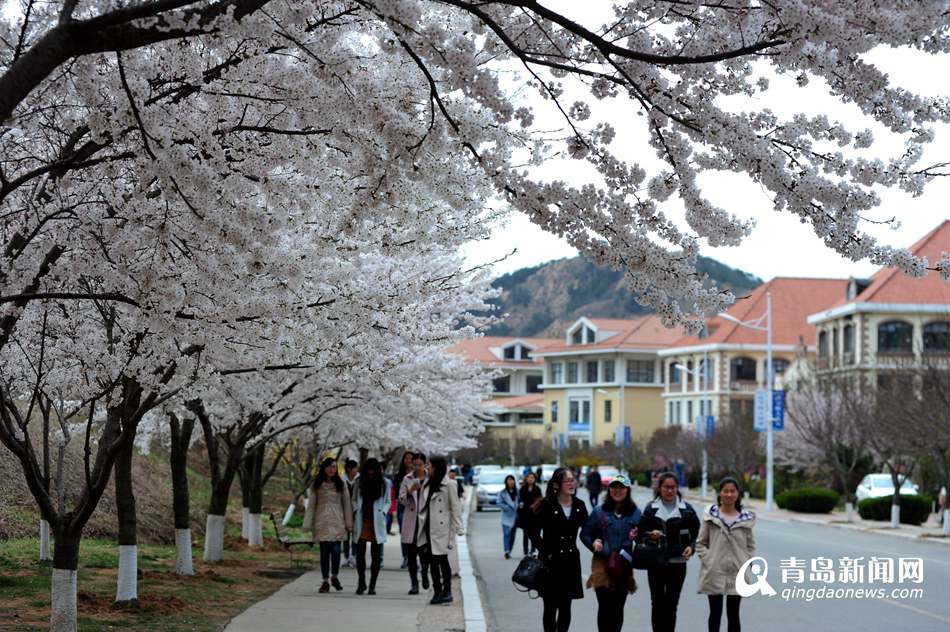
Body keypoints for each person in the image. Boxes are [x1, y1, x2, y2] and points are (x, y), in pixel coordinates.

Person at [638, 471, 700, 632]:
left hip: (677, 564)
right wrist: (650, 534)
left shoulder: (687, 510)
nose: (670, 490)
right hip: (656, 563)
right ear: (660, 488)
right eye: (666, 487)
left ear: (677, 488)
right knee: (657, 603)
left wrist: (691, 547)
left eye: (673, 487)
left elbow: (697, 533)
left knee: (672, 604)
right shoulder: (650, 509)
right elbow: (640, 532)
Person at [581, 475, 642, 632]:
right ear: (609, 490)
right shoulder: (598, 511)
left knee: (618, 607)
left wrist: (638, 536)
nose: (617, 490)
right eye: (614, 487)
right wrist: (594, 543)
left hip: (624, 565)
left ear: (627, 490)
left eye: (621, 487)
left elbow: (644, 537)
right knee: (605, 606)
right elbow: (585, 534)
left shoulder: (635, 513)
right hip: (602, 565)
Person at [530, 467, 588, 632]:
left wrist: (597, 541)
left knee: (566, 606)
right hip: (550, 562)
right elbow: (532, 531)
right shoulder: (547, 505)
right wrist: (544, 550)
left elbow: (589, 529)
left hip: (570, 561)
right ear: (556, 484)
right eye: (567, 481)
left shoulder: (579, 505)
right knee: (550, 606)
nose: (572, 483)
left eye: (573, 480)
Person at [697, 477, 757, 632]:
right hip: (714, 570)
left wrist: (750, 562)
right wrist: (709, 560)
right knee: (715, 613)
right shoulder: (711, 516)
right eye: (725, 491)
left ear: (738, 494)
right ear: (720, 494)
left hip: (737, 571)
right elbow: (701, 543)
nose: (729, 494)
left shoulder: (745, 519)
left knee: (733, 614)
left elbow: (750, 545)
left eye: (732, 491)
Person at [417, 455, 463, 605]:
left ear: (436, 467)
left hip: (442, 528)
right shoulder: (427, 484)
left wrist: (459, 528)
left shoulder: (449, 484)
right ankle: (437, 591)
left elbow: (455, 507)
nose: (427, 467)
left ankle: (447, 591)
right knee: (432, 561)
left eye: (429, 465)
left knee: (442, 560)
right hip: (428, 527)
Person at [304, 457, 353, 593]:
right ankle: (325, 581)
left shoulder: (341, 484)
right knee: (324, 553)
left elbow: (347, 504)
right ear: (324, 468)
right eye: (330, 466)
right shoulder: (317, 484)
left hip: (338, 521)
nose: (332, 469)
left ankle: (334, 576)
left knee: (336, 551)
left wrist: (349, 524)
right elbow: (311, 505)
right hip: (322, 521)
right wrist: (307, 523)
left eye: (334, 467)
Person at [351, 458, 391, 595]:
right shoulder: (359, 482)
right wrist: (356, 510)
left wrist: (384, 512)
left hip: (377, 521)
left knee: (376, 556)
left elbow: (388, 501)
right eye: (368, 470)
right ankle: (361, 582)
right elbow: (354, 499)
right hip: (362, 521)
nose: (370, 473)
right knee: (360, 554)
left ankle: (372, 585)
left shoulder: (384, 483)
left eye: (373, 470)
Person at [399, 452, 430, 595]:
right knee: (411, 555)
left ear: (425, 464)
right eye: (415, 464)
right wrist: (410, 491)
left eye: (420, 464)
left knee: (425, 553)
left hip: (426, 520)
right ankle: (414, 583)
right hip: (412, 520)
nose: (417, 467)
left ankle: (424, 573)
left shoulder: (431, 478)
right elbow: (402, 500)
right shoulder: (407, 478)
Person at [394, 451, 415, 568]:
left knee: (414, 533)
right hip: (403, 506)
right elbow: (397, 491)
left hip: (415, 506)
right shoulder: (399, 475)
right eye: (406, 458)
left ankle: (413, 558)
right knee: (404, 532)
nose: (408, 461)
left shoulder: (418, 474)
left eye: (410, 458)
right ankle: (405, 557)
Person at [518, 471, 542, 556]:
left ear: (535, 479)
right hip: (525, 514)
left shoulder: (537, 489)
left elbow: (540, 500)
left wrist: (535, 505)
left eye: (532, 477)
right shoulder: (522, 489)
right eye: (529, 477)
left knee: (534, 533)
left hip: (535, 514)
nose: (531, 479)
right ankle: (525, 551)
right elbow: (520, 500)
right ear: (526, 478)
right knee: (525, 533)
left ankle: (533, 549)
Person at [341, 459, 359, 567]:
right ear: (349, 469)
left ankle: (354, 556)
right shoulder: (342, 480)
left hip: (357, 510)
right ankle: (346, 557)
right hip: (345, 510)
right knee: (346, 536)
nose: (357, 470)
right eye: (355, 468)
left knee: (356, 535)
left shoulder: (359, 479)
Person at [497, 474, 519, 559]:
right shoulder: (502, 492)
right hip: (507, 515)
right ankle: (506, 550)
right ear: (506, 482)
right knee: (506, 534)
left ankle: (509, 550)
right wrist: (506, 507)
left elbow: (520, 500)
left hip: (515, 516)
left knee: (512, 535)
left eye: (512, 480)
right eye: (509, 480)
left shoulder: (518, 491)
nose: (510, 482)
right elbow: (498, 502)